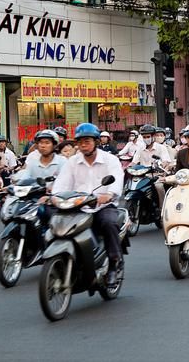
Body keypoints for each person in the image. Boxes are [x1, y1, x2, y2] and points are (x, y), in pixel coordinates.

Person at [52, 123, 125, 287]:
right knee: (54, 222)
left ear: (96, 142)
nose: (83, 145)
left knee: (108, 223)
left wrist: (108, 195)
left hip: (102, 206)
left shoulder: (110, 160)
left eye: (87, 141)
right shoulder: (72, 162)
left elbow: (117, 180)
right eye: (80, 142)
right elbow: (62, 184)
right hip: (77, 207)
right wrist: (55, 197)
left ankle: (114, 262)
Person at [132, 124, 171, 209]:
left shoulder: (161, 148)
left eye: (148, 136)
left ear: (153, 136)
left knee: (159, 186)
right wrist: (128, 168)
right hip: (143, 176)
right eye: (144, 137)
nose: (146, 139)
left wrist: (161, 165)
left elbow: (166, 161)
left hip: (157, 175)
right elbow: (134, 163)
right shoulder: (140, 148)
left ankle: (162, 209)